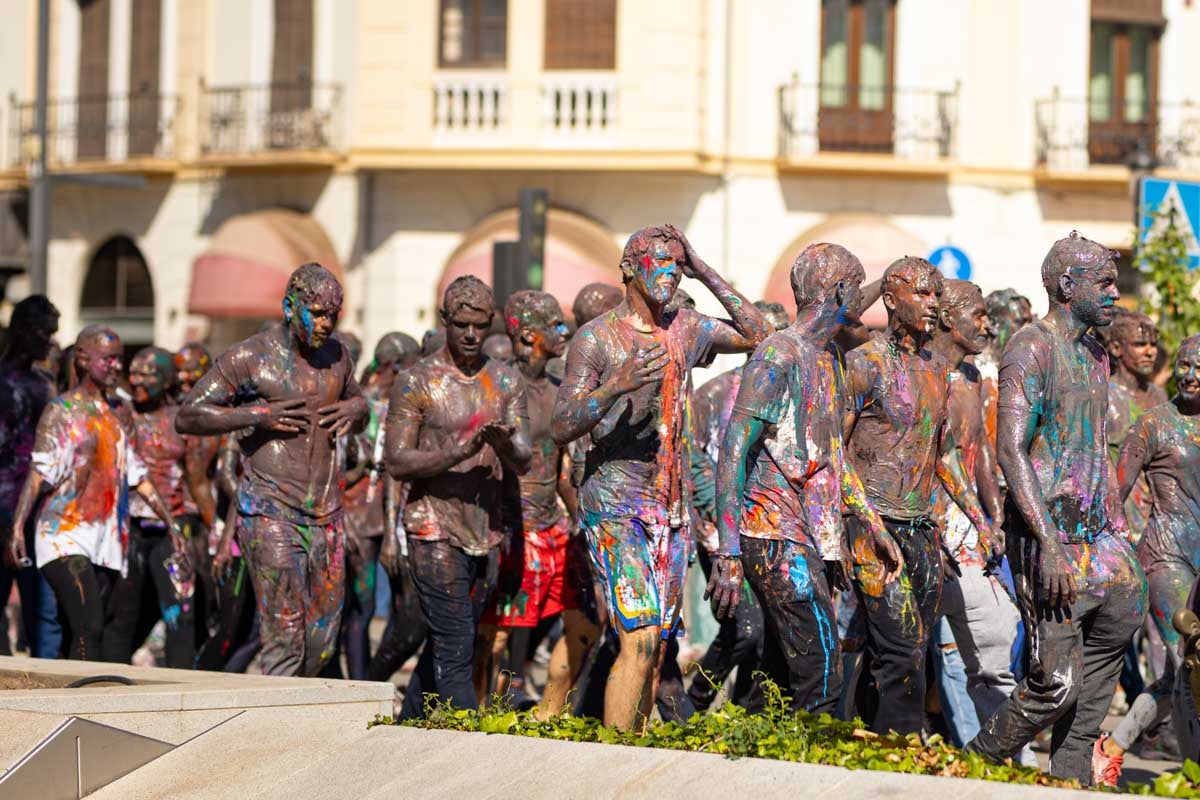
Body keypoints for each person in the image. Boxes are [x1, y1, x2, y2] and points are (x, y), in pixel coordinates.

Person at [552, 224, 771, 731]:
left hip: (669, 509)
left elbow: (760, 335)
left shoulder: (686, 328)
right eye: (662, 263)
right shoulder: (596, 339)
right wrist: (614, 387)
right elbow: (561, 423)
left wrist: (703, 266)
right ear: (629, 268)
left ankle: (628, 744)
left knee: (656, 645)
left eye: (677, 265)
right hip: (616, 504)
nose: (671, 274)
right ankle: (615, 758)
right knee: (641, 636)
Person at [964, 232, 1148, 787]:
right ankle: (971, 764)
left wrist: (1119, 529)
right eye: (1105, 283)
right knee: (1055, 681)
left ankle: (1071, 778)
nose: (1116, 292)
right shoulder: (1031, 346)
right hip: (1049, 536)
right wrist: (1044, 541)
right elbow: (1009, 450)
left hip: (1099, 534)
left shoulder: (1094, 352)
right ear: (1068, 286)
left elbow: (1091, 445)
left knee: (1123, 611)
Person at [707, 243, 902, 714]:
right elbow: (733, 449)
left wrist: (872, 525)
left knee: (776, 676)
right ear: (838, 291)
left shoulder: (830, 358)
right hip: (773, 532)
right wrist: (728, 550)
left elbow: (832, 458)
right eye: (858, 290)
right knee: (821, 671)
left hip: (810, 534)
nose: (865, 302)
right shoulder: (780, 355)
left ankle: (742, 763)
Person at [177, 263, 368, 677]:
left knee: (321, 643)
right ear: (289, 306)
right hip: (270, 510)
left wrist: (357, 408)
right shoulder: (249, 356)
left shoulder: (339, 357)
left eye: (333, 314)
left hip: (326, 516)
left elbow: (360, 405)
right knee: (285, 638)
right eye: (316, 313)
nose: (326, 323)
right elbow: (189, 415)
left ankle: (299, 724)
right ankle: (279, 734)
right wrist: (254, 414)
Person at [842, 256, 996, 736]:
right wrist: (865, 522)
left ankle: (870, 747)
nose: (933, 304)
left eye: (936, 294)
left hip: (920, 531)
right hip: (873, 528)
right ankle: (901, 756)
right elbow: (833, 453)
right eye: (922, 294)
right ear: (891, 301)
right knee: (902, 650)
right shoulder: (863, 364)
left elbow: (943, 456)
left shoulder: (934, 372)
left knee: (906, 651)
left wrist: (981, 520)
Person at [386, 276, 531, 716]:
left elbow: (524, 459)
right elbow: (396, 460)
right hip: (431, 523)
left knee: (448, 633)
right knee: (456, 636)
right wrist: (457, 452)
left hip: (483, 528)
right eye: (461, 325)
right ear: (444, 320)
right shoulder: (416, 382)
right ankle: (464, 735)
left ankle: (408, 722)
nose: (471, 335)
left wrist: (504, 445)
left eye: (480, 326)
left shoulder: (505, 382)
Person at [7, 326, 180, 661]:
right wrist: (17, 527)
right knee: (90, 624)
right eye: (108, 359)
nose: (117, 366)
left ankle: (77, 698)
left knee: (89, 630)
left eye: (119, 359)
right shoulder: (61, 411)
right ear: (84, 359)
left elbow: (139, 478)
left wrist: (172, 524)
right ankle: (80, 705)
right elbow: (38, 474)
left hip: (105, 539)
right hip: (63, 535)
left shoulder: (117, 413)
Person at [925, 280, 1033, 762]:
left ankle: (1001, 760)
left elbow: (981, 454)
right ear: (948, 318)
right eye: (979, 314)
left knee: (989, 657)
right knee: (889, 660)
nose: (988, 325)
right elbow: (934, 457)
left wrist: (993, 518)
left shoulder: (972, 376)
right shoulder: (915, 372)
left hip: (969, 541)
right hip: (916, 536)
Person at [473, 291, 581, 706]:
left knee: (540, 626)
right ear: (529, 334)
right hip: (506, 526)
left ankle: (513, 701)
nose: (564, 331)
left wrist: (579, 516)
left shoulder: (558, 391)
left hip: (548, 527)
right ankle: (479, 710)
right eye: (555, 324)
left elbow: (562, 469)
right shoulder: (496, 384)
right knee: (494, 633)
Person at [1100, 335, 1200, 770]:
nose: (1191, 376)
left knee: (1179, 672)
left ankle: (1114, 747)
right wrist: (1115, 547)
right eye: (1184, 365)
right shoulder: (1154, 423)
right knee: (1191, 659)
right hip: (1165, 555)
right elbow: (1114, 494)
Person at [684, 301, 789, 711]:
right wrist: (723, 515)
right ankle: (697, 698)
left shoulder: (790, 394)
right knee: (745, 627)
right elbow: (696, 462)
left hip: (772, 530)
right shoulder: (715, 395)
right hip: (722, 532)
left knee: (768, 633)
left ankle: (747, 710)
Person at [106, 347, 217, 667]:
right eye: (134, 372)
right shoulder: (123, 414)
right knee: (123, 612)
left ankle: (180, 684)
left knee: (180, 611)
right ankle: (106, 680)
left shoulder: (183, 421)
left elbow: (197, 480)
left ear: (167, 380)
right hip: (130, 528)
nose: (136, 379)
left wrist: (217, 530)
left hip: (173, 527)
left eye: (146, 374)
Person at [0, 295, 62, 658]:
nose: (49, 342)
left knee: (44, 613)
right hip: (3, 509)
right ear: (21, 331)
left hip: (37, 513)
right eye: (43, 333)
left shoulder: (45, 384)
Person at [365, 332, 428, 683]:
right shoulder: (400, 405)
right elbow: (392, 471)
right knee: (410, 624)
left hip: (424, 527)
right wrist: (392, 534)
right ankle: (368, 685)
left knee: (412, 622)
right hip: (406, 530)